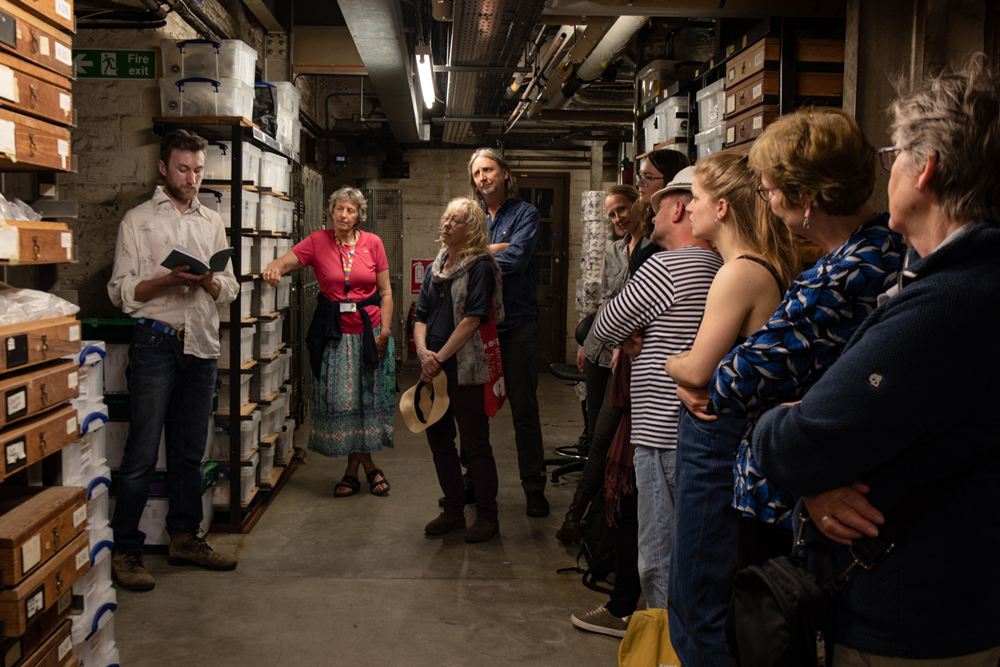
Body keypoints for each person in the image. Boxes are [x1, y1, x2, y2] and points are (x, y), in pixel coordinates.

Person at [752, 58, 1000, 665]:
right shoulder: (951, 280)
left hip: (910, 614)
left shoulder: (948, 304)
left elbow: (795, 442)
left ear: (927, 169)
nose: (885, 170)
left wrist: (781, 426)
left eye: (895, 154)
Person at [685, 108, 906, 576]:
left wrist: (690, 371)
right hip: (837, 479)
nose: (765, 202)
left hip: (793, 501)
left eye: (768, 191)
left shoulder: (837, 279)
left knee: (769, 632)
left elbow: (731, 383)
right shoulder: (891, 247)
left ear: (805, 198)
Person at [663, 153, 798, 666]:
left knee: (698, 608)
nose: (686, 207)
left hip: (716, 448)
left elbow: (696, 372)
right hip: (724, 440)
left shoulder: (739, 274)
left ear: (721, 208)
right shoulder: (749, 267)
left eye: (694, 197)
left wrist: (674, 365)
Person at [107, 129, 240, 591]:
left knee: (188, 452)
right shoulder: (138, 220)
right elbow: (120, 293)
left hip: (200, 344)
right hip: (155, 343)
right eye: (183, 169)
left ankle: (185, 538)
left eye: (199, 170)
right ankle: (126, 549)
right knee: (142, 451)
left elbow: (231, 286)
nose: (192, 178)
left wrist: (208, 281)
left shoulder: (212, 221)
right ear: (164, 168)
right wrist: (168, 280)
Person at [591, 166, 723, 616]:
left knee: (660, 562)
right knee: (692, 555)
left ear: (679, 207)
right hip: (698, 436)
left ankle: (670, 650)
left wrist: (629, 332)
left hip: (658, 432)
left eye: (660, 204)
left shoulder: (667, 266)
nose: (652, 213)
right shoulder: (719, 266)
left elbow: (604, 324)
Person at [262, 186, 394, 497]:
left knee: (365, 402)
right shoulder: (317, 241)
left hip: (369, 332)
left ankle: (352, 472)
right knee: (342, 404)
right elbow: (287, 261)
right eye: (339, 209)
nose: (344, 215)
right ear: (331, 212)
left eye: (350, 210)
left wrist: (386, 331)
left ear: (359, 215)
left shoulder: (373, 243)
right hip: (334, 336)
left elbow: (386, 292)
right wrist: (274, 267)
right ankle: (370, 468)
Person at [558, 184, 647, 544]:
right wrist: (589, 342)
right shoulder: (613, 249)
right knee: (596, 433)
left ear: (638, 206)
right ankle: (596, 514)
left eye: (622, 209)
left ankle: (576, 514)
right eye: (611, 214)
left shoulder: (653, 249)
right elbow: (608, 300)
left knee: (606, 438)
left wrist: (616, 345)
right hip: (600, 346)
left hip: (626, 353)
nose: (617, 218)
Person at [414, 198, 505, 543]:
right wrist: (423, 352)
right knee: (438, 438)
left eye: (457, 220)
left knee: (474, 442)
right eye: (447, 218)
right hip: (433, 363)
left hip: (466, 366)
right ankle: (453, 509)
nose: (448, 224)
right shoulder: (435, 266)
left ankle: (487, 516)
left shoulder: (479, 266)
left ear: (473, 230)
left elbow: (472, 320)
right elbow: (420, 314)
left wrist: (438, 358)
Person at [468, 148, 548, 517]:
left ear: (503, 173)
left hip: (516, 324)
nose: (482, 177)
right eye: (477, 173)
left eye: (488, 169)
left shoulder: (525, 213)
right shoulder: (472, 216)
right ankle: (473, 483)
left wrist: (477, 253)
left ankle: (534, 488)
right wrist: (491, 250)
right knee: (474, 411)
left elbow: (516, 261)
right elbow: (455, 258)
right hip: (477, 326)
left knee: (524, 408)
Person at [630, 149, 691, 272]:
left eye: (648, 177)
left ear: (670, 179)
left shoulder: (674, 232)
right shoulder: (650, 223)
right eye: (640, 176)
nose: (639, 183)